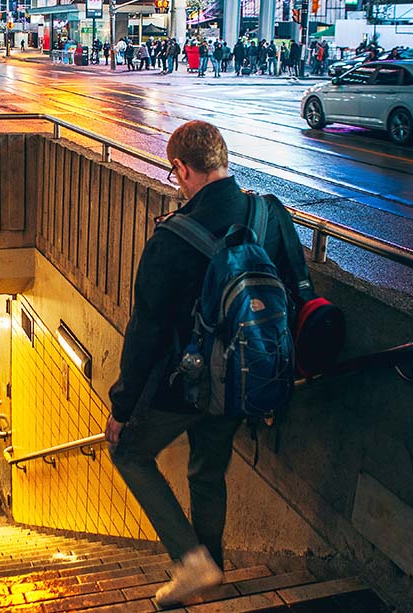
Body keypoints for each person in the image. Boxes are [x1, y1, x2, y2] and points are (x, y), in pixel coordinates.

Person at [106, 120, 303, 609]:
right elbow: (299, 292)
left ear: (180, 168)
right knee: (208, 470)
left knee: (129, 453)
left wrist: (123, 406)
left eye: (175, 175)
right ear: (223, 159)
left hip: (184, 386)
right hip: (247, 382)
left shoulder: (171, 238)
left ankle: (192, 561)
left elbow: (146, 332)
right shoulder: (268, 213)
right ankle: (210, 563)